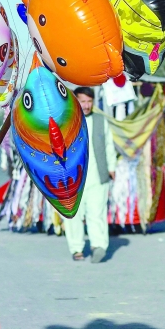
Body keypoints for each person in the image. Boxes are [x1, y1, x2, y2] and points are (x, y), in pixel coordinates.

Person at [63, 86, 117, 263]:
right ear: (76, 101)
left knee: (97, 212)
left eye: (89, 101)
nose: (86, 105)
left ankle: (98, 246)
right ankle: (76, 248)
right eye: (82, 101)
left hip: (97, 175)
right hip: (72, 178)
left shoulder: (101, 121)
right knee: (74, 215)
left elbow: (109, 145)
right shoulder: (67, 122)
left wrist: (112, 168)